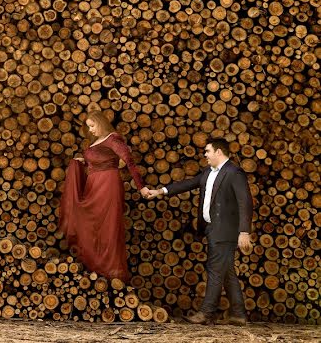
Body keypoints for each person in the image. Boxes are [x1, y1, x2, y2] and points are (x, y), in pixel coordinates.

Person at [144, 138, 253, 325]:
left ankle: (206, 313)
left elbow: (245, 202)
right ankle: (239, 314)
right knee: (227, 272)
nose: (205, 155)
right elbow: (187, 184)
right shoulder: (208, 172)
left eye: (208, 151)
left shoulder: (234, 173)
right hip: (211, 229)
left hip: (225, 231)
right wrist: (160, 191)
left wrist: (244, 231)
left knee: (215, 270)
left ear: (219, 152)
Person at [59, 110, 149, 282]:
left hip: (108, 184)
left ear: (101, 122)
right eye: (89, 127)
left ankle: (110, 271)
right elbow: (97, 160)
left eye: (92, 126)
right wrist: (83, 162)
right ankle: (95, 266)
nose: (91, 130)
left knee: (108, 226)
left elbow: (129, 161)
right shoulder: (97, 141)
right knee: (92, 222)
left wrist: (141, 187)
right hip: (92, 185)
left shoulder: (113, 139)